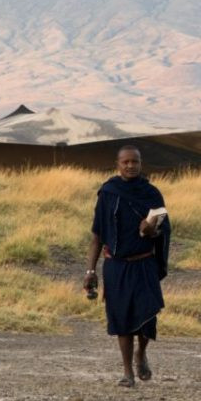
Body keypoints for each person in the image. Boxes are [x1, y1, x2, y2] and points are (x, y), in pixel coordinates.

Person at [84, 145, 170, 388]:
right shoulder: (108, 193)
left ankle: (141, 354)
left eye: (135, 162)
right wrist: (90, 271)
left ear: (141, 164)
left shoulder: (151, 193)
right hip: (116, 266)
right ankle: (127, 372)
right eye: (126, 162)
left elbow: (164, 228)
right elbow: (97, 237)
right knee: (121, 319)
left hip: (144, 264)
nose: (131, 166)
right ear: (118, 164)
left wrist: (151, 229)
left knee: (146, 319)